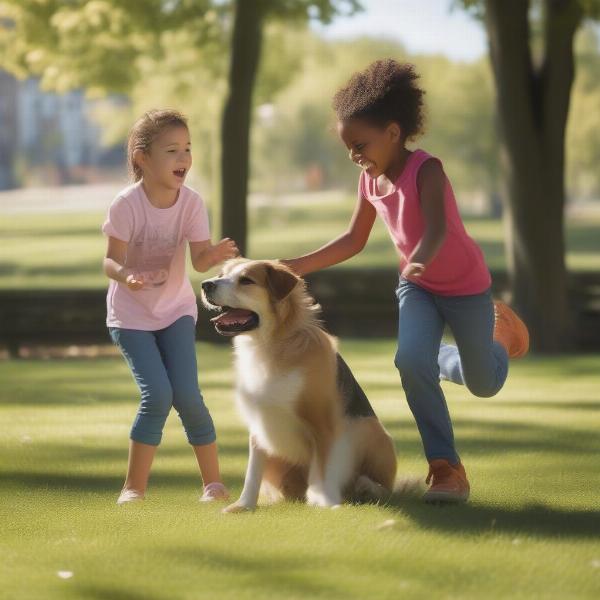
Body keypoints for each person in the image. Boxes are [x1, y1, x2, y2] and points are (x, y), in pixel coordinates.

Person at [282, 60, 529, 503]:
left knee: (484, 383)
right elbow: (353, 240)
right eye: (349, 149)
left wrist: (420, 257)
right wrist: (299, 263)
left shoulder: (426, 170)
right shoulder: (369, 182)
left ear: (393, 133)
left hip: (466, 287)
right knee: (410, 363)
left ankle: (500, 336)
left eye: (361, 145)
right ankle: (446, 467)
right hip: (417, 288)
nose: (356, 156)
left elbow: (435, 227)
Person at [102, 109, 238, 505]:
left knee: (188, 396)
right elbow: (108, 261)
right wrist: (126, 275)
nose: (183, 159)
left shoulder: (192, 203)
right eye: (172, 150)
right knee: (157, 395)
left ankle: (213, 485)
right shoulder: (127, 204)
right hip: (130, 318)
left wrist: (213, 255)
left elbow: (198, 262)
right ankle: (133, 488)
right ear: (142, 158)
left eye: (187, 149)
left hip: (176, 310)